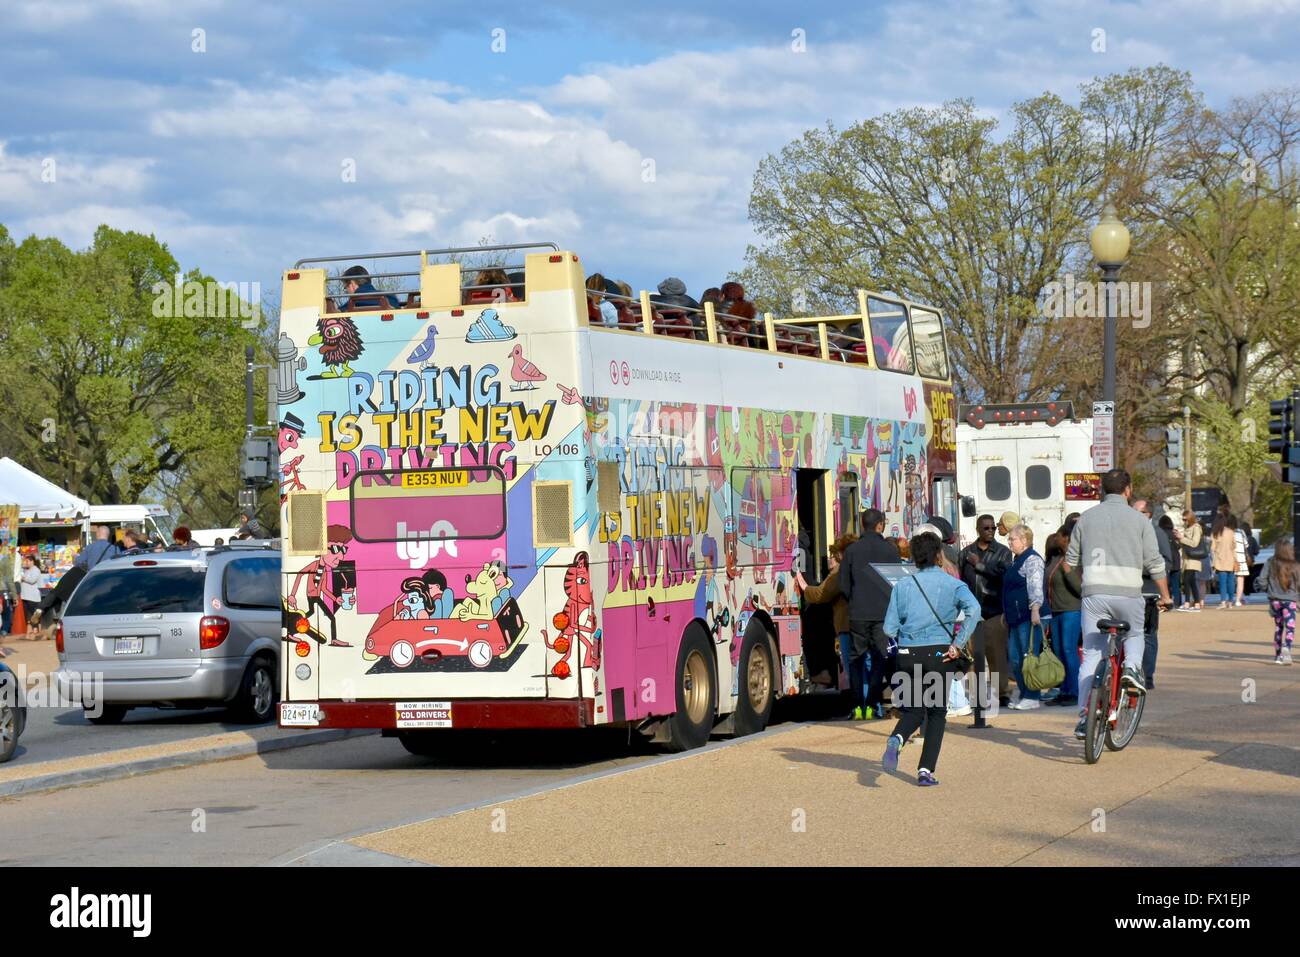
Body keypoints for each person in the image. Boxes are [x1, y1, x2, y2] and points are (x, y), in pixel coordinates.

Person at [1063, 468, 1171, 740]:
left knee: (1091, 654)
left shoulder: (1085, 519)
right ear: (1128, 490)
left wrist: (1084, 587)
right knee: (1135, 634)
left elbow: (1068, 563)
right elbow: (1155, 564)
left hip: (1094, 595)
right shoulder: (1140, 521)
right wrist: (1166, 596)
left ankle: (1085, 714)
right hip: (1128, 593)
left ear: (1102, 490)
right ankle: (1132, 668)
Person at [880, 531, 981, 786]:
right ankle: (925, 771)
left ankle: (898, 738)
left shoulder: (902, 586)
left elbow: (889, 628)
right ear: (938, 555)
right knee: (936, 712)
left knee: (913, 710)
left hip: (908, 654)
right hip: (939, 654)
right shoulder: (952, 584)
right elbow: (974, 610)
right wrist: (958, 644)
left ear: (914, 557)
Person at [840, 508, 902, 719]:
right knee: (882, 657)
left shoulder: (851, 551)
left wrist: (855, 601)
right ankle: (874, 701)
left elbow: (843, 585)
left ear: (862, 525)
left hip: (858, 612)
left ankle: (858, 706)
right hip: (884, 615)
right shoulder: (890, 551)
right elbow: (896, 584)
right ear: (880, 525)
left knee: (856, 659)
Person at [796, 533, 859, 716]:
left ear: (842, 553)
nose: (832, 558)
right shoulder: (861, 566)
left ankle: (859, 709)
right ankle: (871, 708)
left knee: (852, 667)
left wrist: (805, 587)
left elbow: (821, 594)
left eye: (835, 554)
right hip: (863, 624)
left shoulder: (840, 572)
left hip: (846, 625)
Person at [959, 513, 1014, 714]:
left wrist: (979, 565)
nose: (990, 531)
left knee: (996, 654)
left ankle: (1002, 693)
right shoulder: (965, 553)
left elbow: (1004, 576)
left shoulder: (1003, 552)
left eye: (992, 527)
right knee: (972, 656)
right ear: (977, 530)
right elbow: (961, 581)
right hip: (972, 612)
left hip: (994, 610)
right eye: (986, 528)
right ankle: (976, 694)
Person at [1003, 524, 1046, 709]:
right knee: (1015, 657)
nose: (1009, 542)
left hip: (1028, 616)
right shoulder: (1017, 560)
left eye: (1012, 539)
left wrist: (1035, 609)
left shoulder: (1032, 559)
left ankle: (1033, 696)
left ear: (1024, 540)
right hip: (1015, 617)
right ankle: (1024, 692)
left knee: (1029, 656)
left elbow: (1035, 586)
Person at [1134, 500, 1172, 690]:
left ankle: (1147, 675)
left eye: (1138, 512)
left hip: (1149, 591)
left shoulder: (1157, 533)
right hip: (1127, 590)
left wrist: (1143, 569)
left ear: (1148, 514)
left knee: (1148, 635)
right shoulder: (1128, 532)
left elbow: (1167, 562)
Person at [1045, 528, 1082, 706]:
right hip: (1056, 611)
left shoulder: (1075, 559)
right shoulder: (1058, 558)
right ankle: (1063, 690)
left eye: (1059, 535)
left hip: (1071, 611)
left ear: (1066, 538)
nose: (1056, 538)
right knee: (1059, 651)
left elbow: (1080, 589)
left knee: (1069, 650)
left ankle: (1074, 691)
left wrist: (1068, 571)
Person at [1254, 536, 1298, 664]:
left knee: (1279, 627)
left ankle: (1278, 655)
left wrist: (1268, 590)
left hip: (1275, 600)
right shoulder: (1295, 565)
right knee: (1290, 627)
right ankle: (1287, 649)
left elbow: (1261, 580)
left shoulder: (1270, 562)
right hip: (1290, 600)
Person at [1178, 509, 1205, 611]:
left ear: (1190, 518)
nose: (1184, 522)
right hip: (1186, 558)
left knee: (1186, 580)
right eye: (1183, 520)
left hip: (1193, 558)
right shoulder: (1188, 528)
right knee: (1192, 581)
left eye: (1185, 520)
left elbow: (1194, 543)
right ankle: (1197, 603)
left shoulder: (1196, 528)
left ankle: (1187, 603)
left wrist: (1182, 538)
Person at [1210, 513, 1238, 608]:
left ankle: (1223, 601)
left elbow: (1212, 548)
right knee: (1231, 581)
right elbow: (1234, 545)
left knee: (1222, 582)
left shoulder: (1215, 533)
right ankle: (1230, 601)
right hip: (1231, 559)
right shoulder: (1230, 532)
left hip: (1220, 560)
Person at [1159, 514, 1183, 608]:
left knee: (1166, 584)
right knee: (1176, 584)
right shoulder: (1174, 533)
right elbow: (1179, 546)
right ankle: (1177, 602)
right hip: (1176, 560)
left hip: (1166, 560)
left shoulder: (1160, 533)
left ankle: (1167, 602)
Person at [20, 555, 43, 634]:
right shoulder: (26, 570)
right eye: (25, 561)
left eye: (27, 561)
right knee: (29, 615)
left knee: (35, 614)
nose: (26, 563)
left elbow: (32, 580)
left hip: (33, 597)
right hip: (26, 596)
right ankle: (31, 631)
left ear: (32, 561)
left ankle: (36, 630)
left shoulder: (36, 570)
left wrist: (23, 578)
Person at [1234, 519, 1251, 607]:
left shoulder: (1227, 532)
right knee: (1240, 580)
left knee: (1229, 579)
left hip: (1230, 558)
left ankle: (1228, 600)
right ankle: (1238, 600)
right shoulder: (1241, 532)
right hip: (1241, 558)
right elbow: (1246, 545)